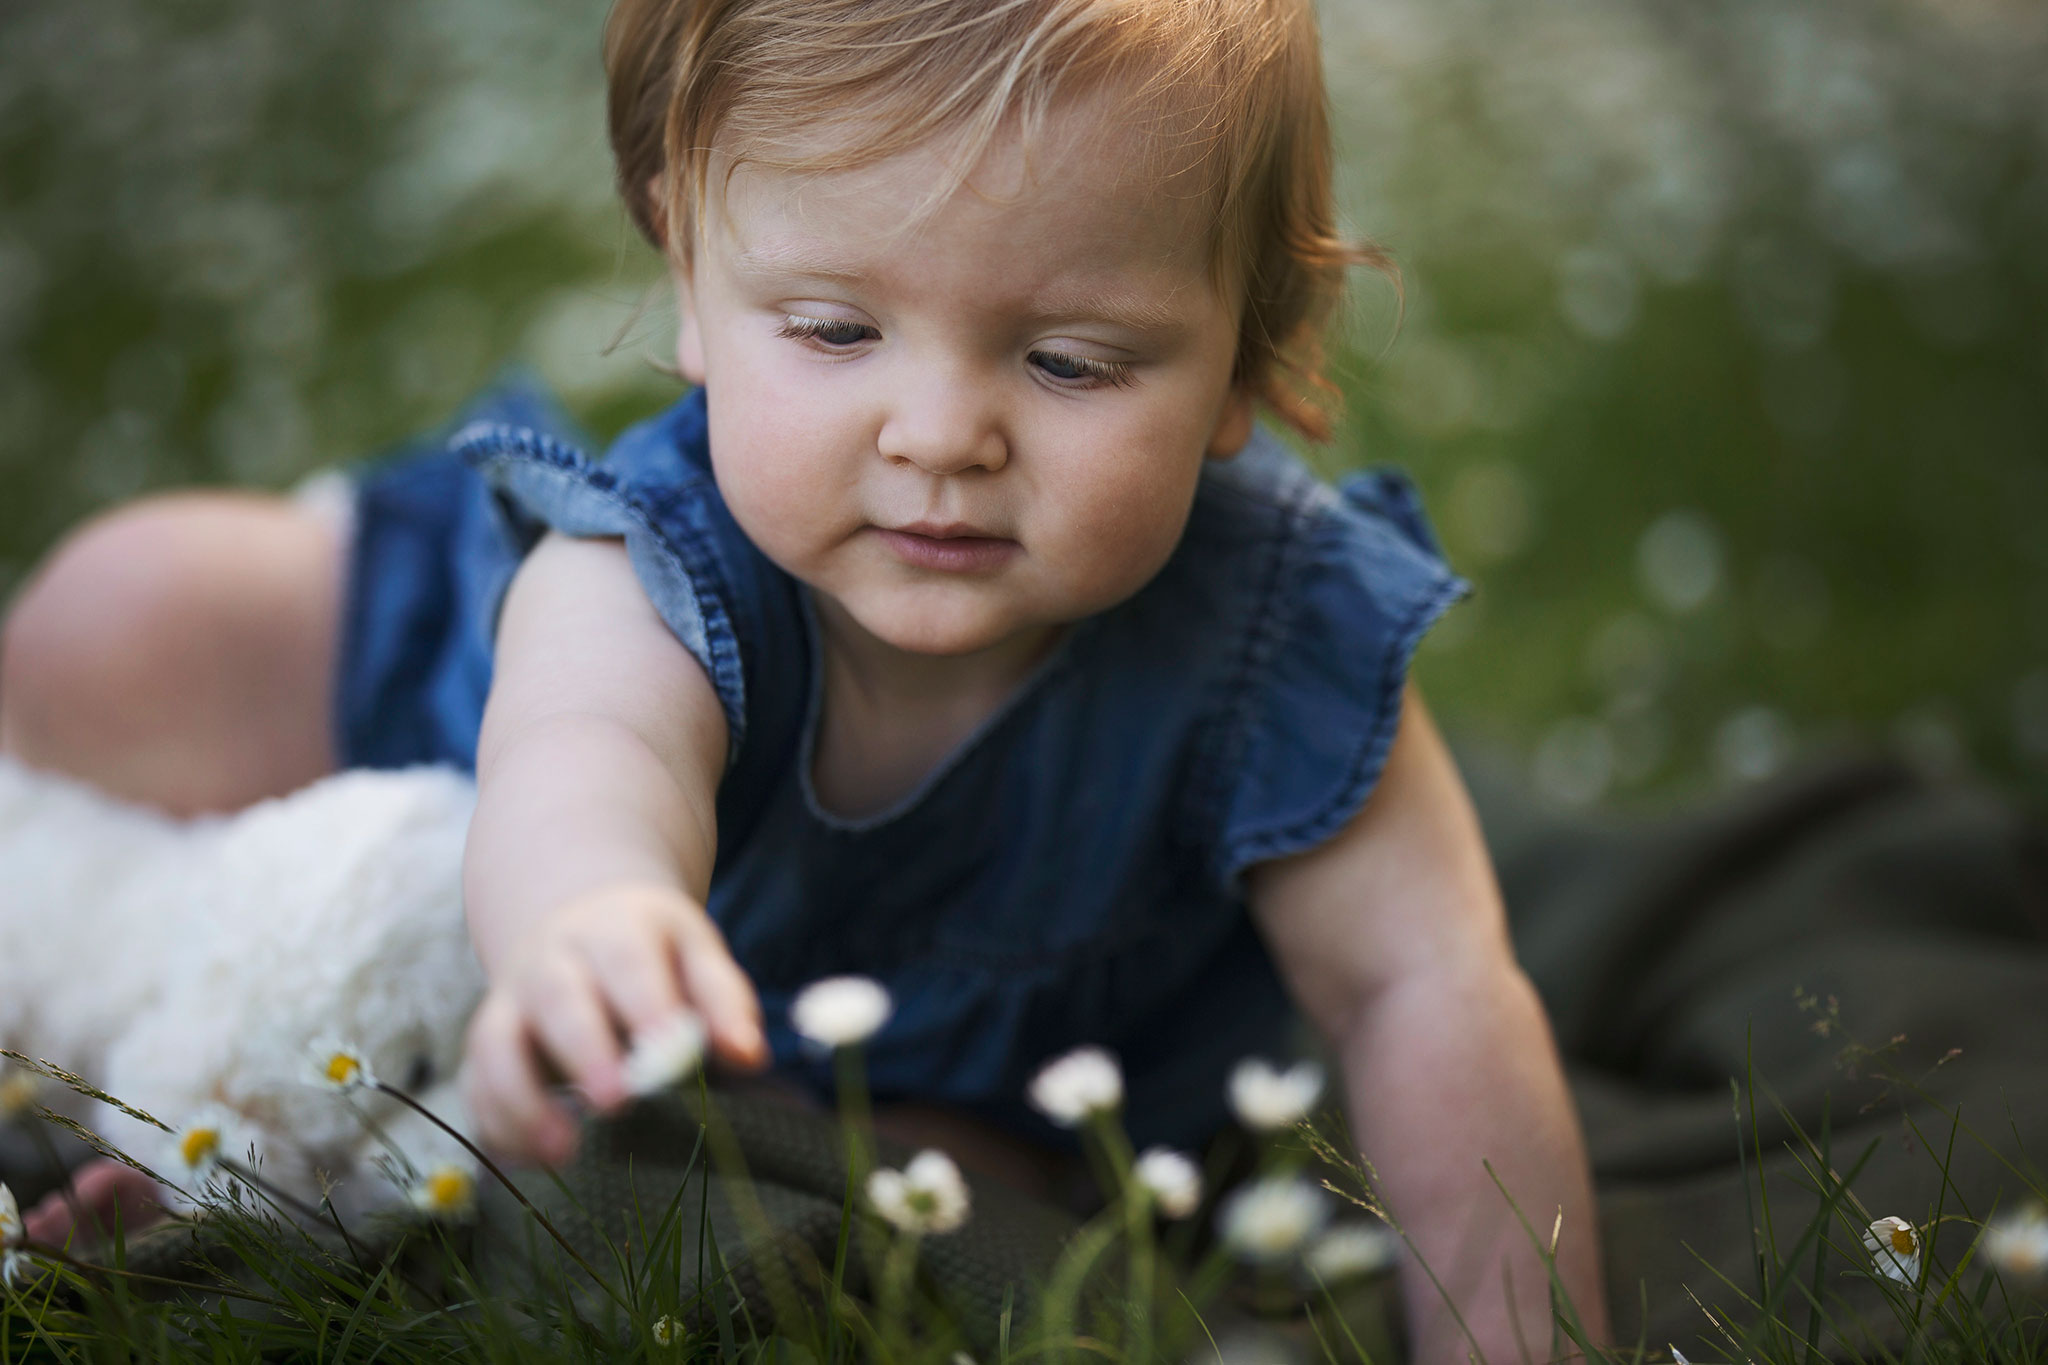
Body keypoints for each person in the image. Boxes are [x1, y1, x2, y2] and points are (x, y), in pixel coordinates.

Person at [0, 0, 1610, 1356]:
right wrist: (586, 920)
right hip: (434, 717)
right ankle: (206, 882)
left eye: (1068, 362)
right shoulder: (646, 572)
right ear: (690, 279)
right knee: (121, 618)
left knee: (947, 1215)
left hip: (947, 1076)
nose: (940, 435)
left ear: (1244, 363)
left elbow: (1431, 990)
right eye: (838, 329)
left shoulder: (1279, 637)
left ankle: (308, 1107)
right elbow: (584, 761)